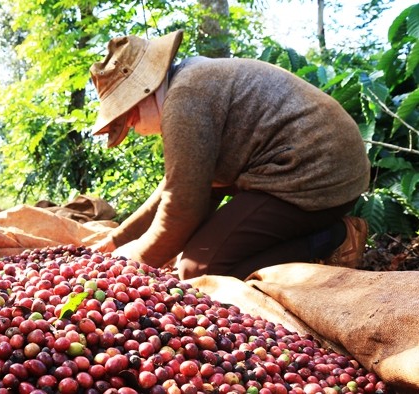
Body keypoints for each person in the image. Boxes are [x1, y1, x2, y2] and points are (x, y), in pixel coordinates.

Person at [89, 30, 370, 280]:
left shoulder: (185, 98)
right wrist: (117, 240)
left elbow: (181, 209)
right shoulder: (187, 84)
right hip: (305, 167)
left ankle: (333, 239)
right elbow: (176, 186)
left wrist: (129, 267)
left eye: (128, 117)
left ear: (145, 91)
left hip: (315, 174)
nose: (133, 128)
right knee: (190, 252)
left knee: (200, 270)